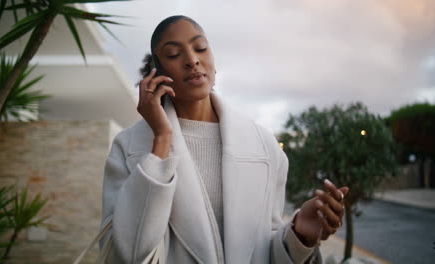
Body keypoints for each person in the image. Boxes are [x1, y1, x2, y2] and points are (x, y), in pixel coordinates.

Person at [100, 15, 350, 264]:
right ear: (157, 72)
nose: (192, 60)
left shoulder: (263, 146)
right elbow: (124, 254)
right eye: (174, 54)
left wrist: (300, 233)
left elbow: (265, 252)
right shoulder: (129, 147)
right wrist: (162, 140)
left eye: (200, 48)